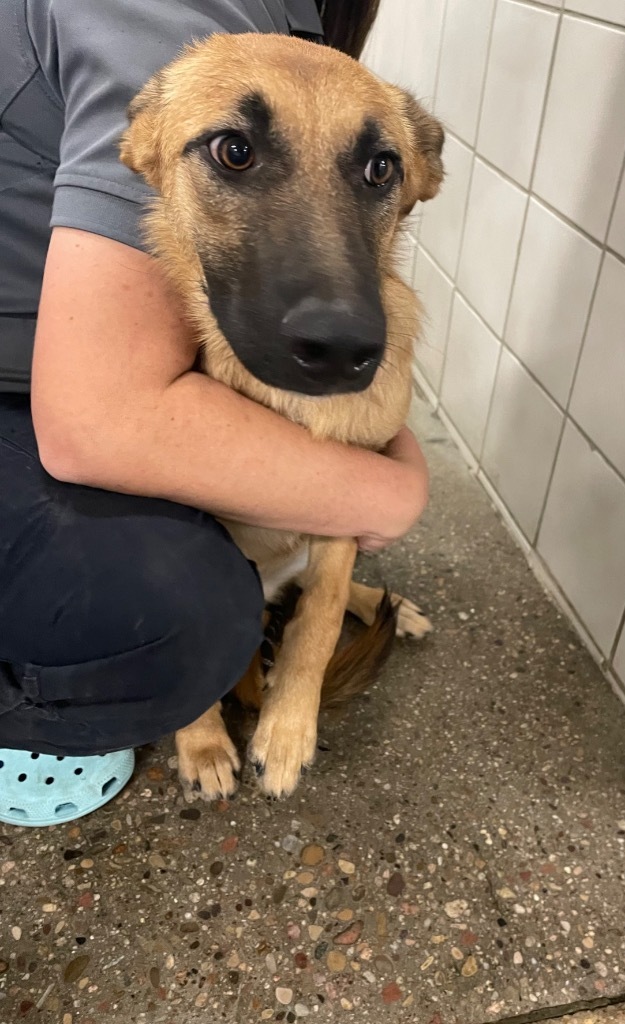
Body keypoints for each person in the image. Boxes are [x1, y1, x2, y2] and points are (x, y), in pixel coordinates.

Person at [0, 0, 429, 826]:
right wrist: (392, 493)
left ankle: (325, 608)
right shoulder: (186, 37)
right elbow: (106, 429)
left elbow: (335, 472)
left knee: (292, 511)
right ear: (143, 150)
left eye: (377, 172)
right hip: (41, 397)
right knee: (182, 615)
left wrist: (309, 650)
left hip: (76, 380)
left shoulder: (296, 39)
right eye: (236, 153)